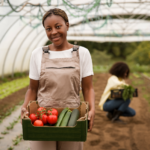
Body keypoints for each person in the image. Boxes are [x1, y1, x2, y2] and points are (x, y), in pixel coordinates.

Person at [21, 8, 95, 150]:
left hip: (73, 117)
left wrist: (92, 109)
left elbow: (88, 88)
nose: (53, 32)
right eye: (48, 28)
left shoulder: (82, 53)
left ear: (67, 25)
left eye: (58, 26)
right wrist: (25, 106)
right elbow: (32, 88)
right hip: (42, 117)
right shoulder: (37, 54)